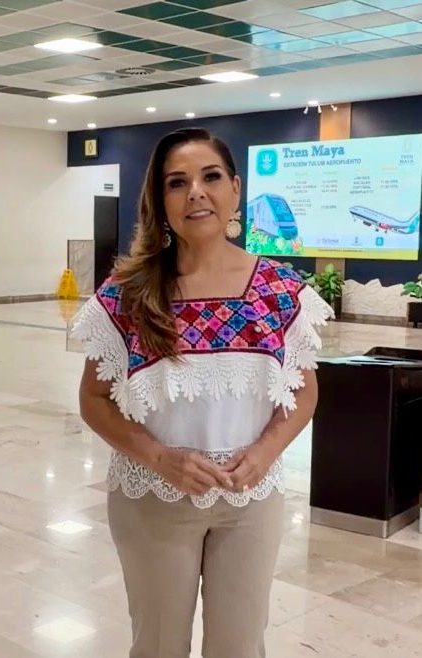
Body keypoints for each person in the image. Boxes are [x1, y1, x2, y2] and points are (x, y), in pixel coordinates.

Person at [72, 128, 333, 658]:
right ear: (160, 200)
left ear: (235, 189)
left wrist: (264, 453)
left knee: (240, 645)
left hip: (250, 502)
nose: (196, 192)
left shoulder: (280, 292)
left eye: (210, 177)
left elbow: (303, 394)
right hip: (153, 498)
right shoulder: (128, 295)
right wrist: (160, 458)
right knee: (158, 644)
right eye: (177, 182)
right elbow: (93, 400)